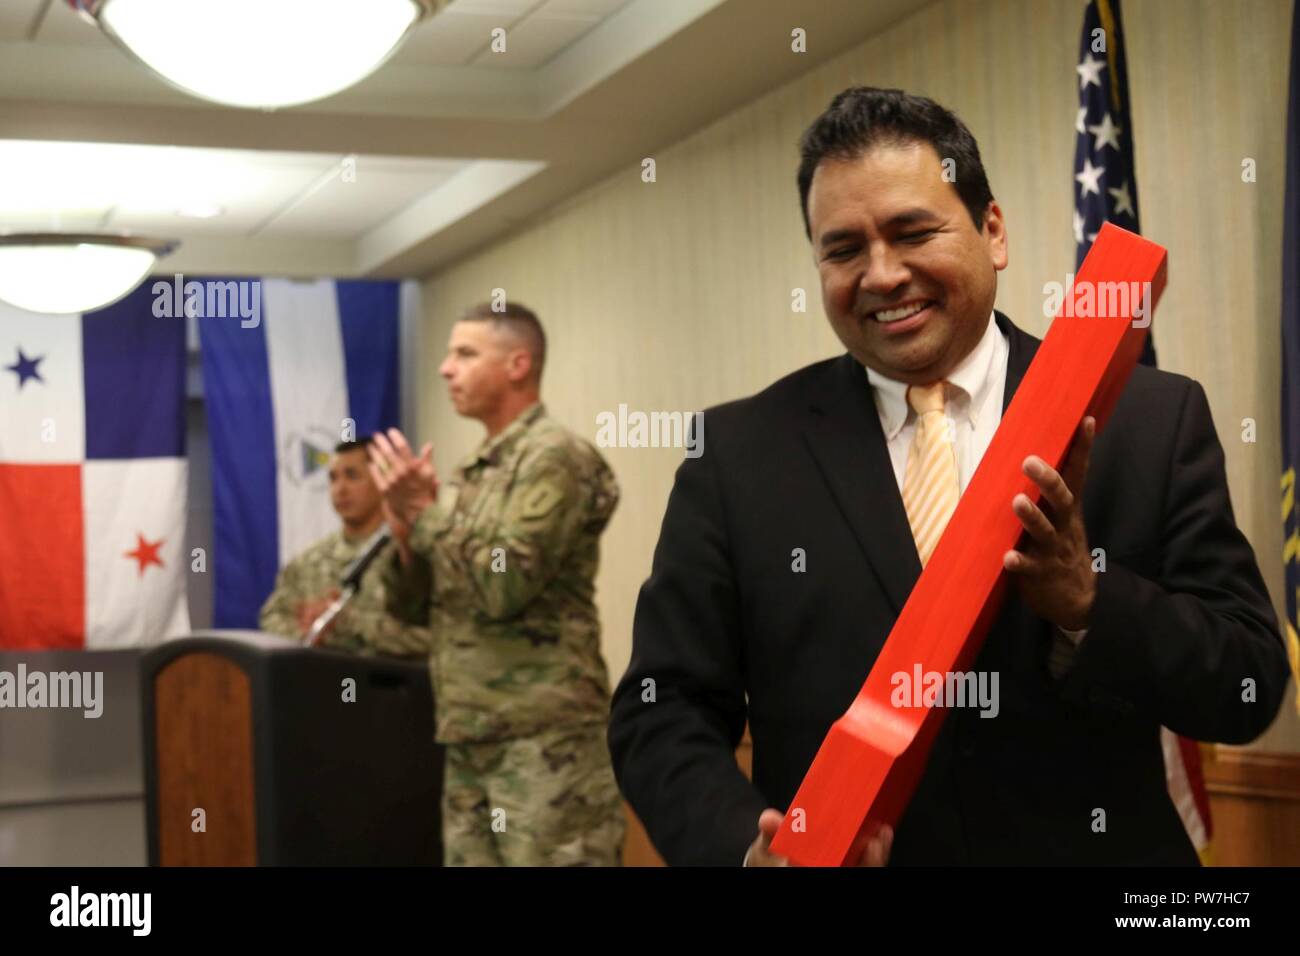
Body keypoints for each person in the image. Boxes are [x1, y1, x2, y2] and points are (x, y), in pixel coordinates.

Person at [607, 86, 1290, 866]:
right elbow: (663, 711)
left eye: (912, 231)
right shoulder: (737, 454)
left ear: (992, 231)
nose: (882, 274)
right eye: (843, 249)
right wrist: (743, 850)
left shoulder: (1148, 420)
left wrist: (1089, 605)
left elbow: (1249, 683)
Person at [370, 301, 625, 866]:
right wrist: (407, 535)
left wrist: (429, 514)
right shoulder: (477, 472)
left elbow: (502, 586)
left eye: (464, 353)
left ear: (517, 364)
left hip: (543, 737)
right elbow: (414, 611)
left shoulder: (553, 457)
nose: (444, 368)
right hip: (470, 732)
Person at [259, 437, 431, 658]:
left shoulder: (409, 556)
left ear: (382, 480)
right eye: (333, 478)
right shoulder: (308, 561)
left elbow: (433, 639)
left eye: (352, 476)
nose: (340, 489)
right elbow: (272, 617)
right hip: (319, 684)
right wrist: (309, 632)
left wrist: (345, 624)